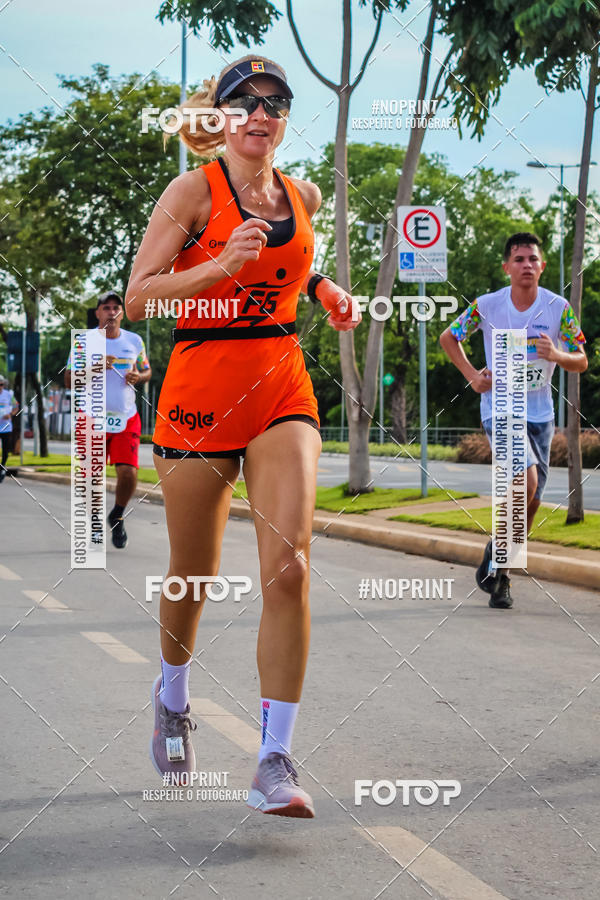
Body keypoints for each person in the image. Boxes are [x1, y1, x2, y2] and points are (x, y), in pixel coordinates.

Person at [126, 55, 361, 818]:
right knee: (194, 571)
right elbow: (137, 299)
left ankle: (274, 759)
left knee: (289, 569)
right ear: (223, 115)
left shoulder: (305, 195)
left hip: (280, 388)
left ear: (287, 118)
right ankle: (171, 695)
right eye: (246, 102)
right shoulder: (192, 190)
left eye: (276, 103)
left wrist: (327, 293)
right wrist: (218, 266)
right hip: (199, 392)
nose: (261, 114)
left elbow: (295, 269)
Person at [440, 232, 587, 609]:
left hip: (541, 414)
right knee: (527, 480)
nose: (527, 265)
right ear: (506, 267)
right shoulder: (487, 306)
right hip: (501, 408)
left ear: (542, 265)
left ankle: (497, 566)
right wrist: (473, 376)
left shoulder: (559, 308)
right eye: (519, 259)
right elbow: (449, 337)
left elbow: (582, 360)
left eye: (533, 259)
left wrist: (556, 352)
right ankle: (501, 571)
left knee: (532, 500)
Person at [65, 291, 152, 548]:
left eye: (116, 308)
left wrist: (139, 376)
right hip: (91, 418)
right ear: (97, 313)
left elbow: (146, 370)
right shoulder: (84, 342)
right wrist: (95, 367)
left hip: (126, 417)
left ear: (122, 313)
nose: (111, 312)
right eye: (106, 308)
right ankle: (94, 521)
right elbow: (70, 380)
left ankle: (117, 514)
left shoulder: (134, 340)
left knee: (128, 472)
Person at [0, 375, 19, 483]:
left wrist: (11, 414)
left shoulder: (8, 395)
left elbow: (16, 406)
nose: (0, 387)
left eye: (1, 384)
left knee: (5, 450)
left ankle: (2, 469)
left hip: (6, 427)